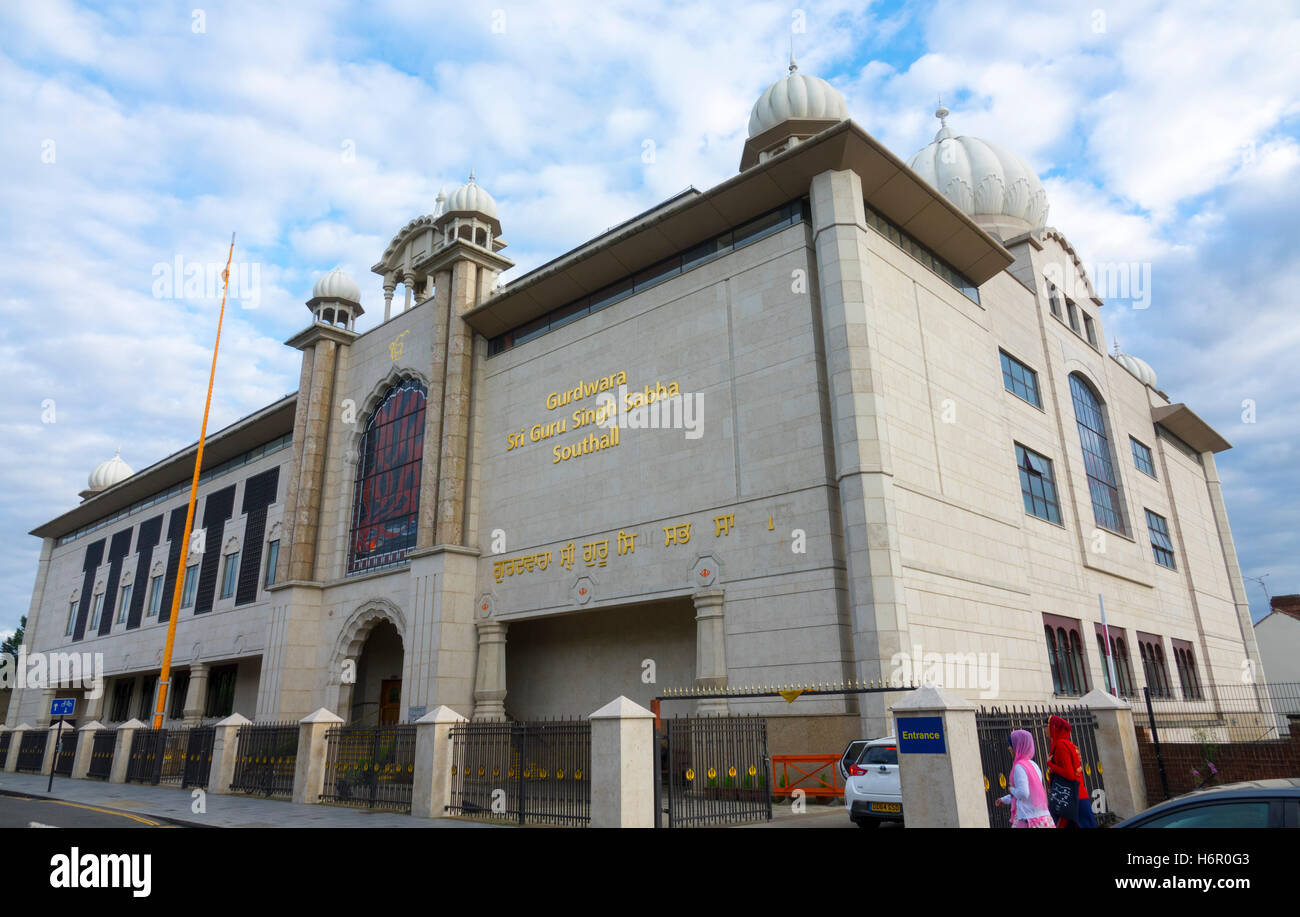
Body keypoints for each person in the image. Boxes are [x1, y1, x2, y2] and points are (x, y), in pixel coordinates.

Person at [995, 729, 1054, 827]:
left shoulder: (1019, 767)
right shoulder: (1033, 765)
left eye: (1011, 745)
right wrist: (1005, 799)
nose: (1009, 748)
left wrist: (1011, 789)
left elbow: (1023, 793)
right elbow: (1030, 793)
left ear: (1018, 746)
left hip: (1028, 819)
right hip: (1043, 819)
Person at [1047, 714, 1096, 828]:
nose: (1045, 729)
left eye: (1047, 725)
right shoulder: (1068, 744)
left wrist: (1050, 764)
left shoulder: (1061, 745)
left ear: (1054, 728)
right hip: (1076, 796)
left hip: (1070, 799)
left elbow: (1069, 774)